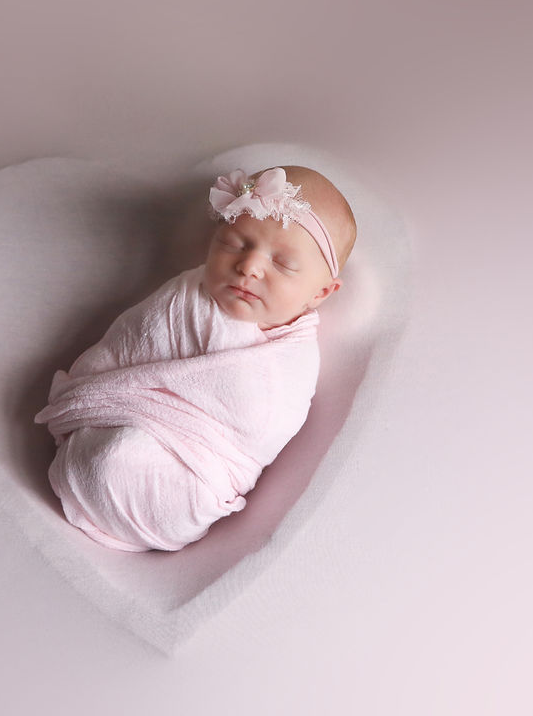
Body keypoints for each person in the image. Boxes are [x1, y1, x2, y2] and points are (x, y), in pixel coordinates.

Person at [35, 165, 357, 551]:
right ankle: (93, 468)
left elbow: (262, 425)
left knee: (117, 460)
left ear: (321, 292)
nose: (249, 266)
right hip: (102, 423)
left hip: (192, 476)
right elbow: (127, 344)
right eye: (235, 243)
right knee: (111, 454)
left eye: (283, 264)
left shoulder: (292, 361)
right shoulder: (183, 296)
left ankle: (104, 477)